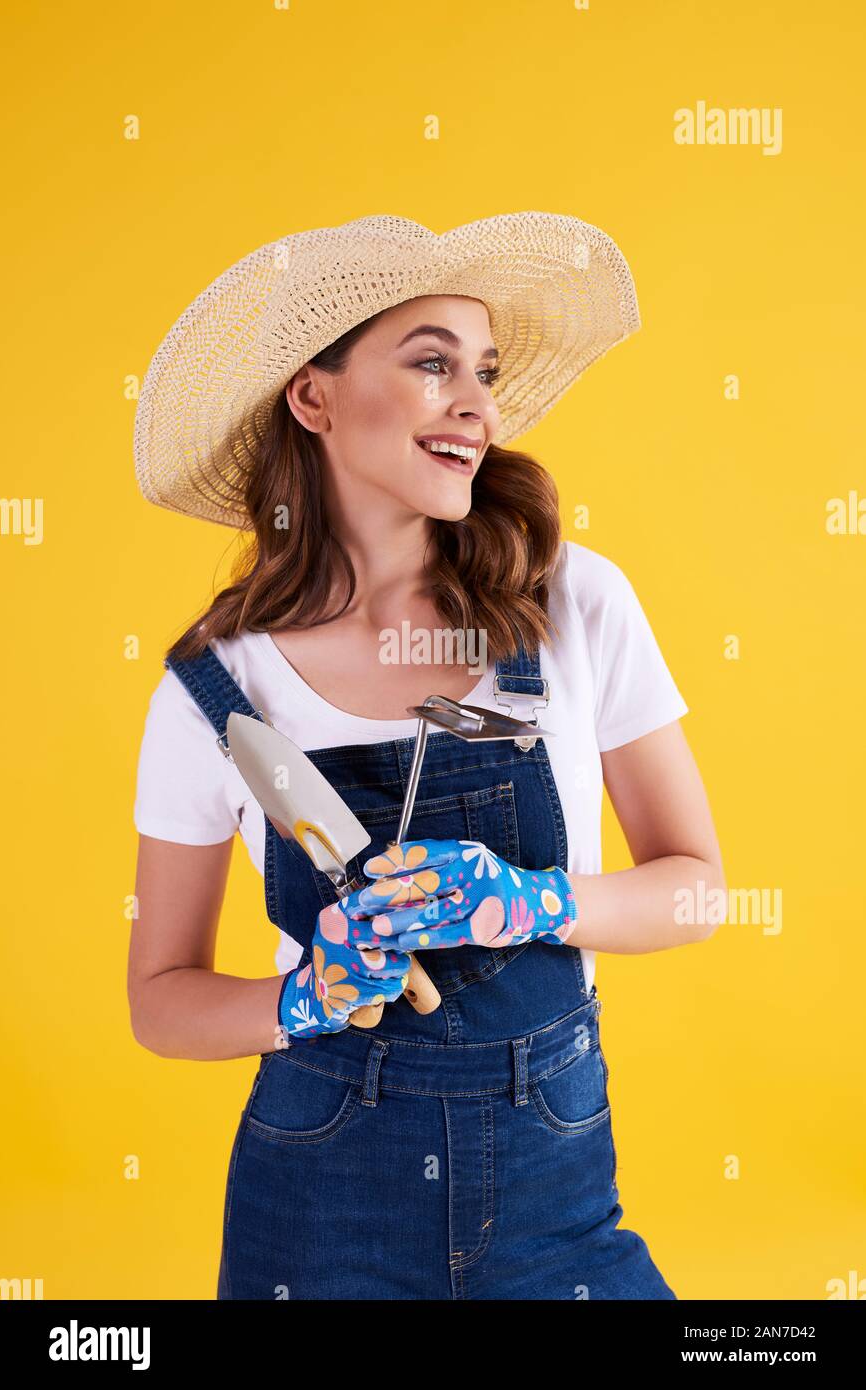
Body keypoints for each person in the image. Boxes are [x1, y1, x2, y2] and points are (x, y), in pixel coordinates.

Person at [129, 213, 725, 1300]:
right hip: (318, 1199)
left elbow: (699, 894)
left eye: (485, 372)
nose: (478, 408)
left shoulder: (573, 604)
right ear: (313, 398)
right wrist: (303, 995)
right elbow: (159, 1000)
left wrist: (534, 900)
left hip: (556, 1184)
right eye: (432, 364)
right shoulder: (220, 688)